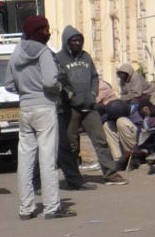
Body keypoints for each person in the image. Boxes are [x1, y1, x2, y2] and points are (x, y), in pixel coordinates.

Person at [8, 14, 67, 220]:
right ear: (39, 31)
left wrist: (25, 90)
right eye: (46, 29)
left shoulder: (16, 51)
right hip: (45, 107)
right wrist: (58, 89)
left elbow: (8, 84)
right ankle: (52, 207)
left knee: (25, 161)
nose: (48, 33)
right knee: (47, 159)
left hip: (25, 109)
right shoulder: (44, 52)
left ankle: (26, 208)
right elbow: (51, 81)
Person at [53, 26, 127, 189]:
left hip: (89, 106)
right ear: (67, 42)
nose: (77, 43)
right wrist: (70, 95)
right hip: (69, 108)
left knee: (100, 140)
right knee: (71, 144)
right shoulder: (59, 58)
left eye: (79, 40)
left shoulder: (86, 57)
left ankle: (110, 173)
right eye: (73, 40)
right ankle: (73, 177)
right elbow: (59, 80)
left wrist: (93, 93)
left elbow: (94, 76)